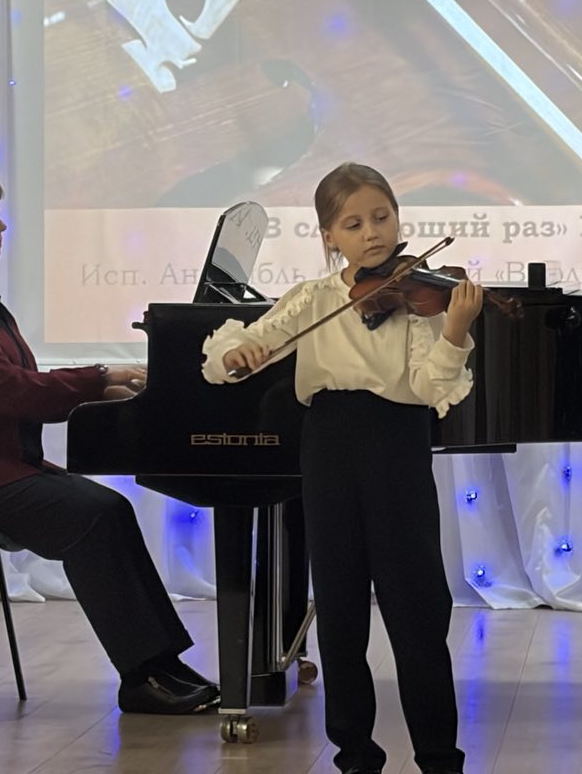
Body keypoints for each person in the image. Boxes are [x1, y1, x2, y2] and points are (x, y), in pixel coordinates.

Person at [0, 163, 217, 714]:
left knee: (108, 510)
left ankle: (161, 665)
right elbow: (7, 390)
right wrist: (98, 378)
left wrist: (101, 389)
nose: (1, 227)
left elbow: (15, 384)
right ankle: (143, 676)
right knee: (93, 515)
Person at [205, 162, 481, 774]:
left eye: (381, 217)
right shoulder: (312, 299)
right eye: (353, 225)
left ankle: (439, 757)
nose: (372, 233)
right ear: (329, 236)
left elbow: (429, 388)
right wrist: (238, 353)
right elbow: (230, 349)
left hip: (397, 446)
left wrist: (455, 331)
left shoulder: (421, 300)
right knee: (339, 608)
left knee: (416, 609)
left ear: (398, 219)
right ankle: (354, 754)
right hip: (327, 446)